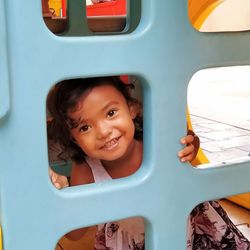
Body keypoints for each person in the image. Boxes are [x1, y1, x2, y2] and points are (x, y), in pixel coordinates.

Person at [47, 76, 250, 250]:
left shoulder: (157, 143)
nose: (103, 131)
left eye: (110, 113)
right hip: (129, 242)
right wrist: (63, 196)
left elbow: (188, 142)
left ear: (132, 109)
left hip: (192, 228)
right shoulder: (87, 169)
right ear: (74, 138)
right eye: (84, 128)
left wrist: (192, 144)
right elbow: (74, 234)